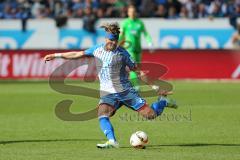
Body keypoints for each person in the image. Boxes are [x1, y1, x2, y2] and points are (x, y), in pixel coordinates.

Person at [44, 23, 177, 149]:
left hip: (126, 91)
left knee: (150, 115)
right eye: (110, 40)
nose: (112, 43)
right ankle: (112, 141)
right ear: (106, 38)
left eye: (115, 40)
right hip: (108, 93)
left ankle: (163, 102)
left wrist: (156, 88)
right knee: (102, 113)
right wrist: (56, 55)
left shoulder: (123, 54)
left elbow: (139, 72)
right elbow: (77, 54)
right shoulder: (96, 49)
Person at [119, 5, 153, 91]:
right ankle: (136, 86)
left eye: (133, 12)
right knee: (133, 67)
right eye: (130, 12)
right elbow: (121, 35)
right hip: (130, 48)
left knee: (138, 68)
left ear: (135, 12)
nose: (132, 13)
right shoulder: (125, 23)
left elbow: (146, 34)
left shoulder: (139, 23)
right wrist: (116, 44)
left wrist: (150, 42)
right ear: (128, 13)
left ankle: (133, 85)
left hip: (138, 49)